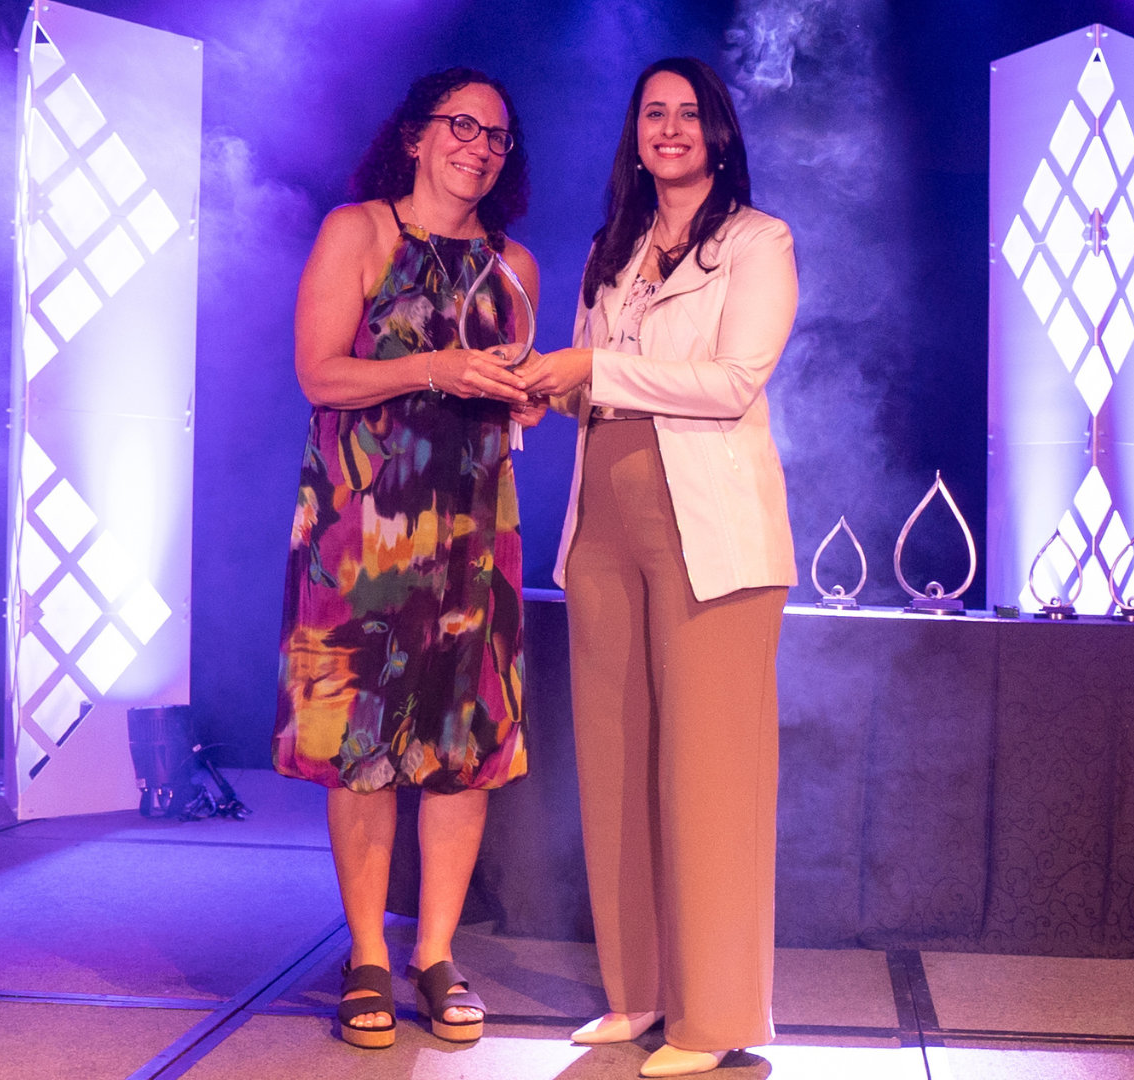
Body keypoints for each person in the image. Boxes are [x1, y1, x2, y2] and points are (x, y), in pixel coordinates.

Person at [520, 57, 798, 1079]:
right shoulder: (615, 249)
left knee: (709, 775)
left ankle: (714, 1014)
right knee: (618, 763)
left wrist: (590, 367)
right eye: (654, 114)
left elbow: (730, 384)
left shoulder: (759, 243)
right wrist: (536, 385)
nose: (671, 129)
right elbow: (596, 383)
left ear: (718, 133)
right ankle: (638, 997)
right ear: (635, 134)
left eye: (689, 114)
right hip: (604, 523)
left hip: (708, 536)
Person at [273, 66, 545, 1050]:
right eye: (460, 126)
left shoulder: (516, 265)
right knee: (363, 753)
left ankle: (435, 953)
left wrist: (530, 397)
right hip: (364, 527)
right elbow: (318, 371)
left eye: (496, 136)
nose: (477, 145)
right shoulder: (360, 230)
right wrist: (433, 366)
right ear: (416, 136)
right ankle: (368, 956)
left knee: (461, 754)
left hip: (475, 533)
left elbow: (515, 392)